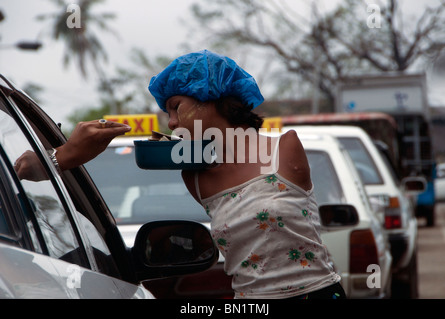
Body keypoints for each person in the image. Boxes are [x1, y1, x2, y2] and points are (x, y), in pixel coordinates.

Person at [39, 49, 345, 299]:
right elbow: (32, 166)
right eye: (167, 114)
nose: (171, 123)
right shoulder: (196, 177)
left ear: (209, 93)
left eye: (175, 107)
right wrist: (63, 157)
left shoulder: (286, 147)